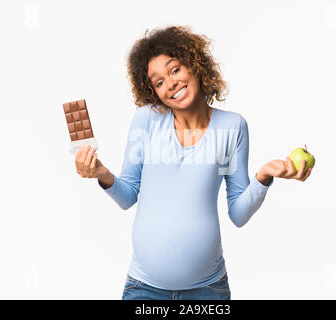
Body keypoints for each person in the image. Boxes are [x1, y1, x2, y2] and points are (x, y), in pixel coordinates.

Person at [74, 26, 312, 300]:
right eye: (159, 82)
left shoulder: (232, 127)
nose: (170, 84)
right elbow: (128, 195)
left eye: (175, 70)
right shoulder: (146, 120)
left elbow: (238, 214)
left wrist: (264, 176)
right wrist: (101, 173)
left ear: (195, 65)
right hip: (145, 289)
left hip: (208, 290)